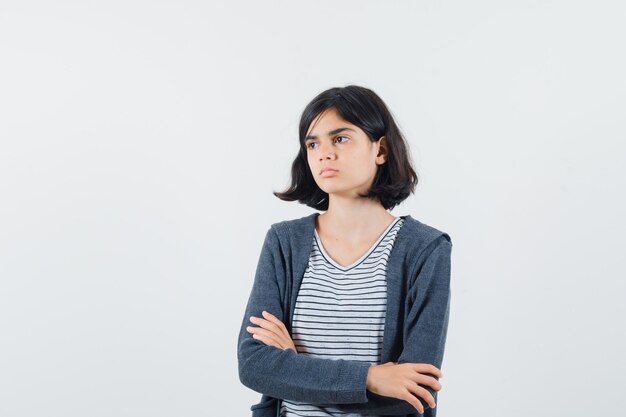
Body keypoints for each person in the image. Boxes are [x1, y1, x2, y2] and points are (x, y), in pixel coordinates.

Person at [237, 85, 453, 417]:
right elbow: (255, 364)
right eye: (313, 143)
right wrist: (371, 377)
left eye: (340, 138)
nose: (324, 152)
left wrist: (295, 367)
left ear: (379, 150)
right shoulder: (284, 243)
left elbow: (412, 391)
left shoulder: (425, 249)